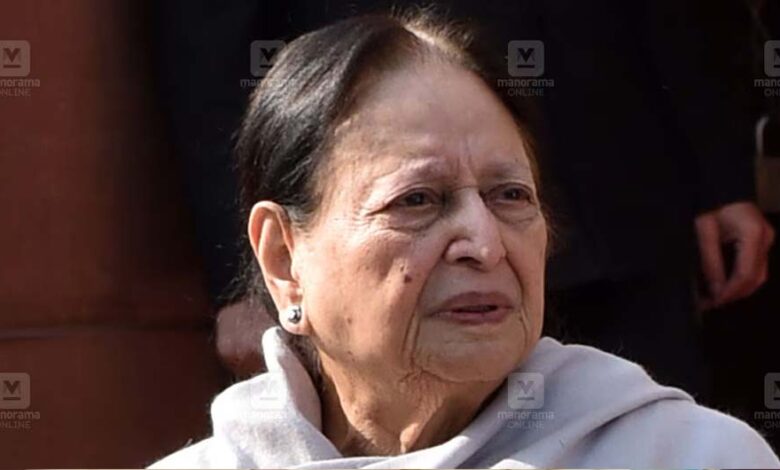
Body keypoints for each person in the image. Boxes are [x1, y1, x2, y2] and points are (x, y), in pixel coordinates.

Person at [148, 12, 779, 468]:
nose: (486, 244)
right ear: (285, 259)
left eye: (511, 196)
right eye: (416, 200)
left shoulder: (691, 456)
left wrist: (716, 173)